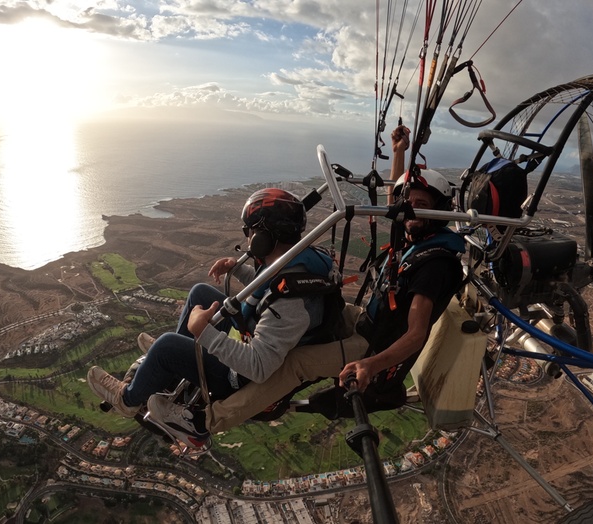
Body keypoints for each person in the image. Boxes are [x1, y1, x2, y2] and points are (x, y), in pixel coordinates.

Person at [195, 125, 466, 431]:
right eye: (411, 204)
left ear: (441, 212)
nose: (411, 211)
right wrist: (399, 151)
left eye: (423, 206)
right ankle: (202, 362)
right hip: (367, 320)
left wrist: (370, 365)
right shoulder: (416, 236)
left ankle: (209, 421)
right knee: (317, 299)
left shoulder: (434, 266)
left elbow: (417, 334)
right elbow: (396, 206)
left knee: (297, 363)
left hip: (373, 345)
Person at [86, 188, 341, 448]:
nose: (249, 239)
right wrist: (239, 268)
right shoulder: (297, 265)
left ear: (264, 237)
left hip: (237, 378)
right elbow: (269, 291)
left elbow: (259, 367)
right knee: (200, 294)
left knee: (165, 347)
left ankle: (127, 400)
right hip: (258, 337)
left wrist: (202, 332)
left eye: (250, 232)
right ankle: (173, 362)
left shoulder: (292, 302)